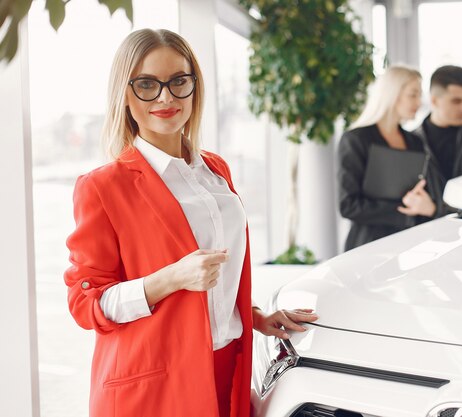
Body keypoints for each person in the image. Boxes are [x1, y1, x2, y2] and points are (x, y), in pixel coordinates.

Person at [64, 29, 318, 417]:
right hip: (154, 385)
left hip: (227, 367)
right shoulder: (102, 187)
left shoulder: (216, 170)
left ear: (194, 87)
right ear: (124, 93)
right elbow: (86, 303)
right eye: (147, 84)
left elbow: (218, 279)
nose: (166, 97)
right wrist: (171, 277)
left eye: (179, 81)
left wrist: (252, 316)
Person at [338, 65, 445, 251]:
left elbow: (422, 194)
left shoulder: (415, 142)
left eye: (419, 95)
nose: (419, 103)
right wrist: (405, 213)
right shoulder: (356, 140)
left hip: (409, 245)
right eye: (413, 95)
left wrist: (428, 207)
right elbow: (349, 205)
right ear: (392, 95)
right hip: (367, 247)